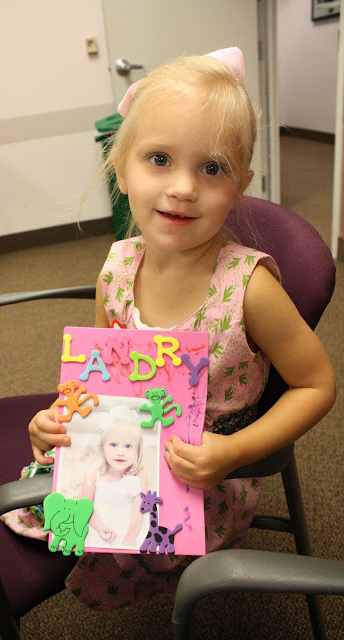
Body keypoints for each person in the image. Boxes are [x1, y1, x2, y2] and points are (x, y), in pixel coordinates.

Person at [24, 47, 336, 610]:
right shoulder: (117, 267)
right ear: (122, 169)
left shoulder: (249, 287)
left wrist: (233, 451)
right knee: (66, 502)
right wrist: (59, 418)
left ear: (238, 186)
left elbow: (317, 384)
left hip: (204, 477)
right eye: (160, 159)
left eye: (212, 169)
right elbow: (95, 379)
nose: (185, 187)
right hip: (119, 448)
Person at [81, 409, 148, 549]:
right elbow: (85, 507)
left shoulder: (138, 476)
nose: (120, 452)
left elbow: (138, 514)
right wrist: (100, 529)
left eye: (128, 446)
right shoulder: (93, 474)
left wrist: (127, 543)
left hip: (128, 533)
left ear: (138, 451)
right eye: (113, 445)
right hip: (98, 528)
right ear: (103, 448)